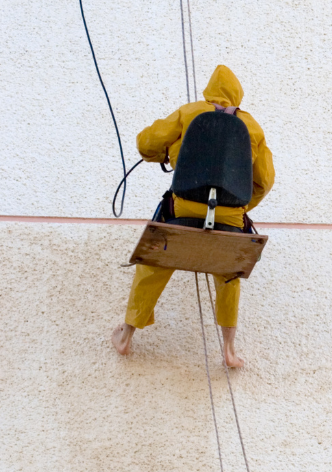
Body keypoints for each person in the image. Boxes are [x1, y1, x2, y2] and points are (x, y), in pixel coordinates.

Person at [111, 65, 274, 367]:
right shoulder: (253, 128)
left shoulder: (190, 111)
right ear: (239, 96)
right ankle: (229, 348)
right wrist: (238, 208)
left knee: (153, 261)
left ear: (209, 89)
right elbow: (264, 181)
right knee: (229, 272)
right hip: (231, 215)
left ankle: (126, 336)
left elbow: (147, 143)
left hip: (183, 207)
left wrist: (168, 152)